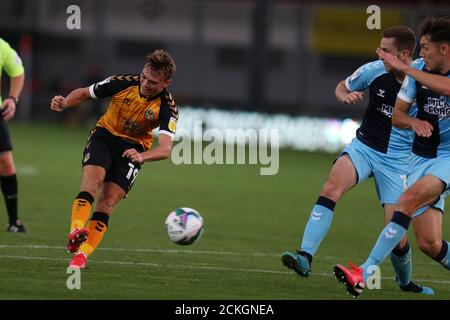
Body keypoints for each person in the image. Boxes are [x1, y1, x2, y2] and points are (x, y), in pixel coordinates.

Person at [281, 26, 433, 294]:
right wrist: (345, 95)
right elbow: (342, 86)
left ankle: (405, 283)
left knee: (395, 233)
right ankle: (305, 256)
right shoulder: (374, 70)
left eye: (386, 50)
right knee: (330, 188)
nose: (379, 54)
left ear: (404, 53)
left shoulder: (424, 80)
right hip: (364, 147)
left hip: (399, 162)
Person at [334, 16, 450, 297]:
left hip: (447, 156)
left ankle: (363, 271)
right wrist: (413, 123)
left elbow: (446, 88)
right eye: (420, 49)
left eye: (426, 48)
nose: (421, 54)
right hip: (419, 158)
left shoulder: (417, 72)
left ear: (444, 49)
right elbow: (398, 117)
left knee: (404, 203)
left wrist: (405, 69)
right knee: (429, 244)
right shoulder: (419, 70)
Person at [50, 49, 178, 269]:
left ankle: (81, 256)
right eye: (144, 77)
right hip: (104, 137)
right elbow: (84, 93)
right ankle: (76, 230)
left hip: (134, 149)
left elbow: (166, 149)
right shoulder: (121, 83)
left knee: (108, 202)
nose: (146, 83)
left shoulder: (168, 108)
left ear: (165, 83)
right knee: (93, 181)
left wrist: (141, 156)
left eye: (153, 82)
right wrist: (65, 103)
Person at [0, 37, 26, 233]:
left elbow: (17, 71)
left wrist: (12, 98)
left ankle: (14, 222)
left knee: (6, 162)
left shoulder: (1, 46)